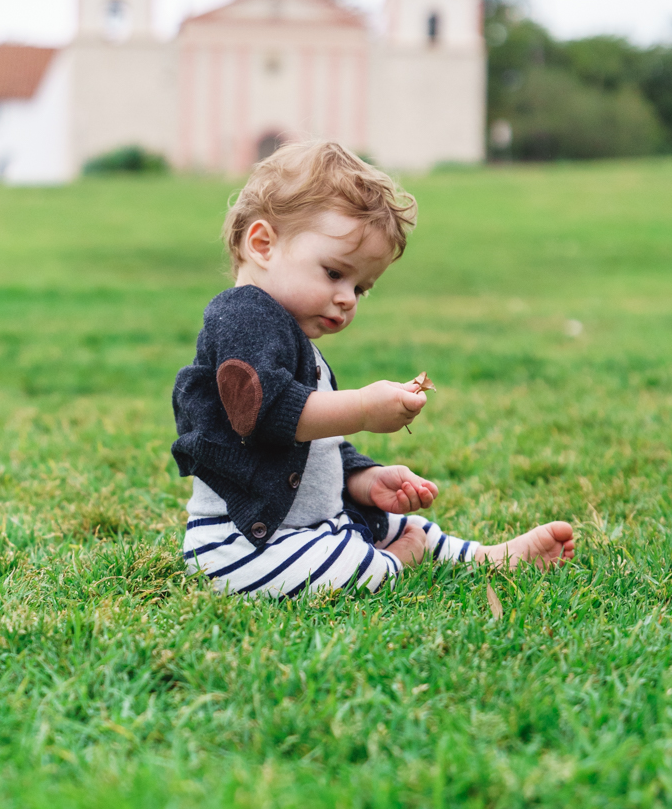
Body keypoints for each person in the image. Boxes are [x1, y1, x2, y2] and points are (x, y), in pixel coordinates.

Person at [172, 141, 575, 597]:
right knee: (346, 562)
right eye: (333, 273)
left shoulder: (294, 341)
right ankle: (393, 564)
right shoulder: (242, 316)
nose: (347, 297)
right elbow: (266, 413)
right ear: (263, 244)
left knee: (396, 523)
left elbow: (313, 448)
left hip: (307, 527)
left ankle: (483, 556)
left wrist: (364, 480)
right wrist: (363, 409)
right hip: (244, 544)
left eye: (361, 287)